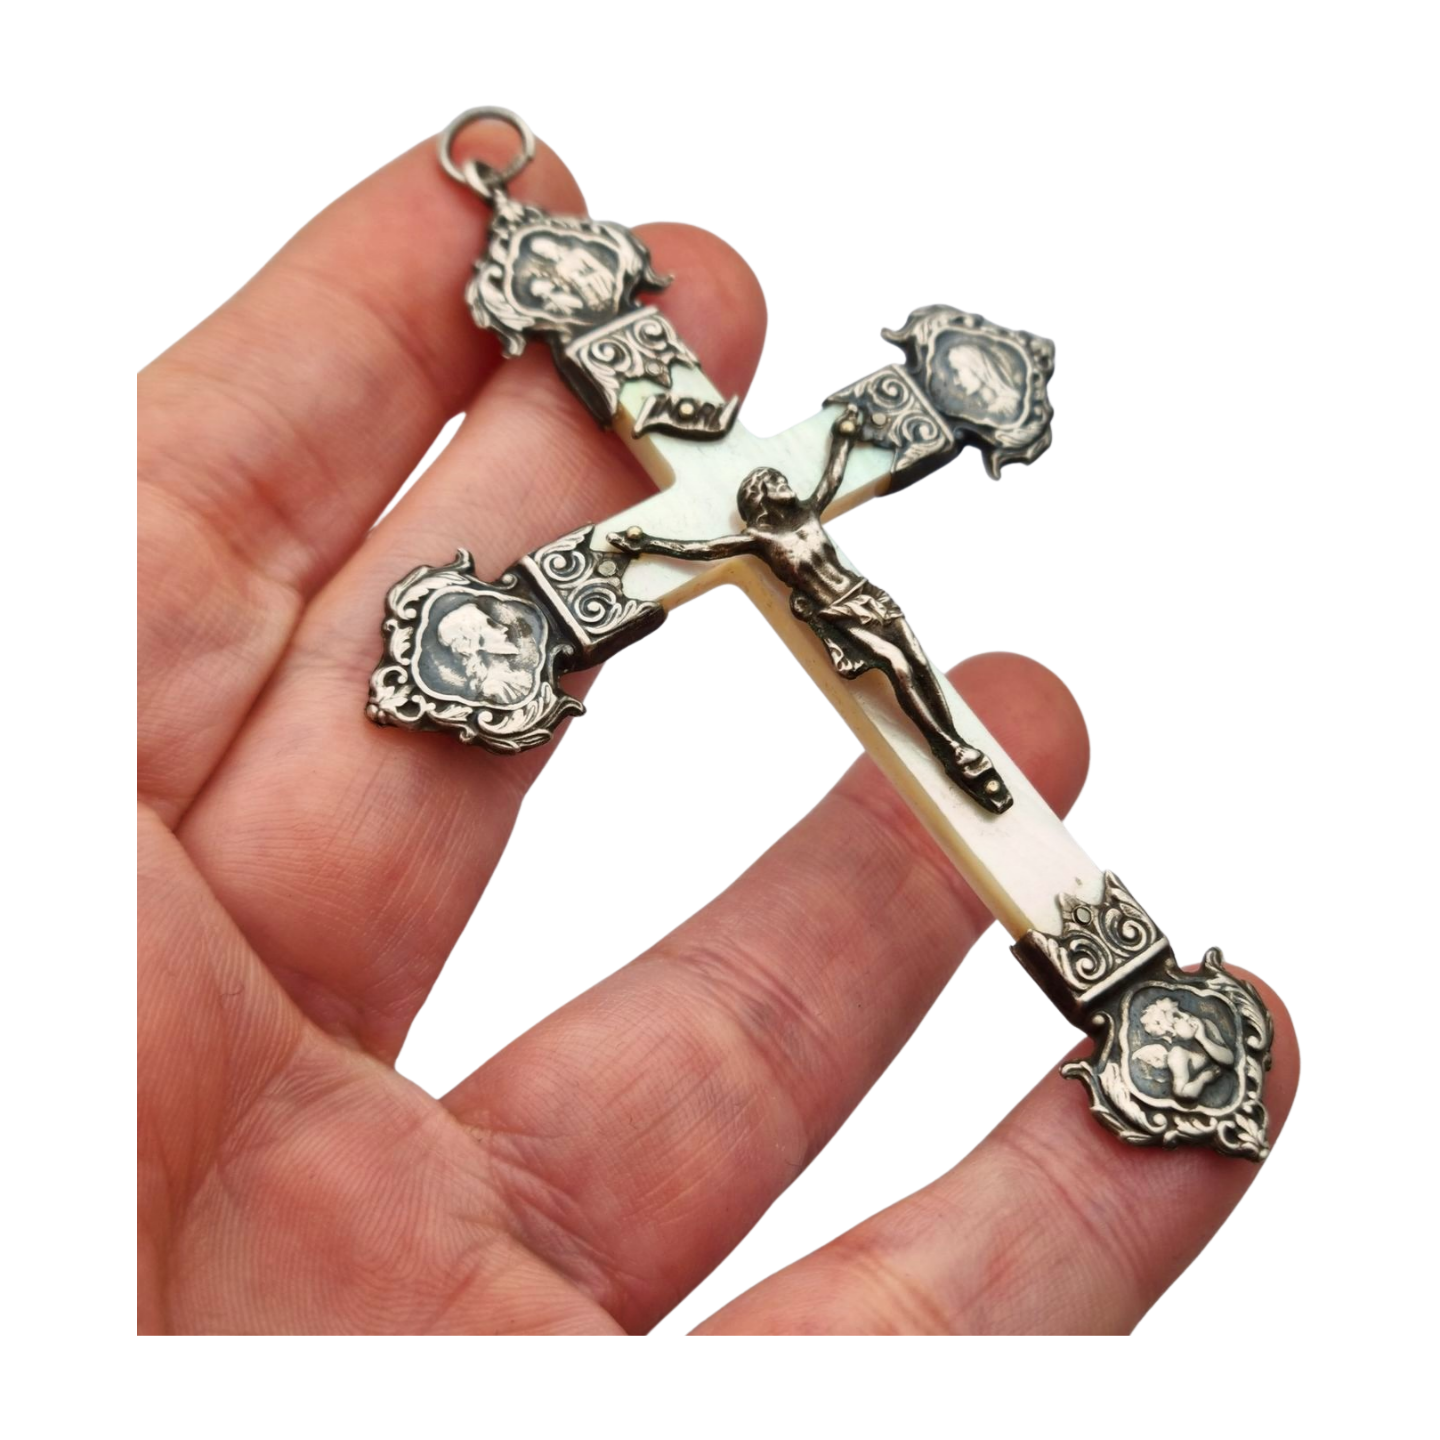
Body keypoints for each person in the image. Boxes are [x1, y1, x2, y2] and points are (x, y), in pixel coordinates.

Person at [137, 126, 1293, 1335]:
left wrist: (926, 408)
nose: (771, 500)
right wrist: (585, 576)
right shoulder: (709, 525)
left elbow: (846, 446)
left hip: (864, 621)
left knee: (937, 711)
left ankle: (1104, 953)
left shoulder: (813, 472)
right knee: (923, 708)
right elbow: (657, 542)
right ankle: (1118, 976)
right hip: (791, 596)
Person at [608, 407, 1013, 814]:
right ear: (760, 497)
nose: (784, 483)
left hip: (868, 594)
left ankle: (957, 743)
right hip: (835, 612)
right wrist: (649, 543)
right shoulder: (760, 538)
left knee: (920, 663)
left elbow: (832, 478)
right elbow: (705, 549)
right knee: (896, 665)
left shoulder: (807, 512)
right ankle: (949, 747)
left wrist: (843, 437)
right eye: (775, 482)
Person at [1134, 997, 1237, 1102]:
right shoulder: (1177, 1054)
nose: (1187, 1016)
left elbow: (1229, 1059)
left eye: (1181, 1012)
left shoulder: (1205, 1025)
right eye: (1177, 1018)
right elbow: (1182, 1093)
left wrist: (1203, 1038)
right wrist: (1202, 1079)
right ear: (1172, 1034)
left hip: (1229, 1090)